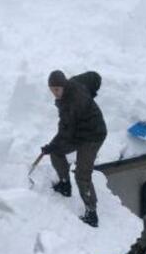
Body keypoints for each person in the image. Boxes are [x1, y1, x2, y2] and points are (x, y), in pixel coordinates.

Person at [42, 70, 107, 228]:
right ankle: (65, 184)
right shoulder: (72, 84)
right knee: (56, 152)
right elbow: (93, 77)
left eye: (57, 90)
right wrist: (93, 90)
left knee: (82, 175)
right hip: (78, 131)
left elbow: (66, 132)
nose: (55, 93)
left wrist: (52, 145)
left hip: (93, 136)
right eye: (52, 90)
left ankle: (91, 213)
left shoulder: (73, 103)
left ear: (64, 85)